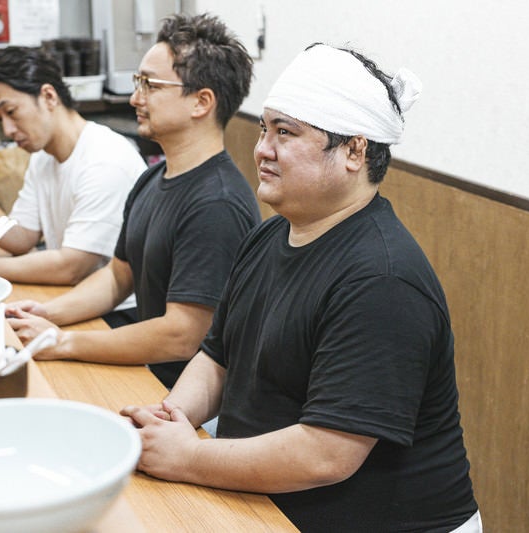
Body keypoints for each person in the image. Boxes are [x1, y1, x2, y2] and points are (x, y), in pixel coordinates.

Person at [120, 43, 482, 532]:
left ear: (355, 151)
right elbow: (216, 358)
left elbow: (325, 455)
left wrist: (187, 458)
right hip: (269, 505)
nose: (263, 148)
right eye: (265, 128)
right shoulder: (270, 234)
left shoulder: (382, 279)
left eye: (286, 133)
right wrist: (171, 418)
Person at [6, 13, 261, 389]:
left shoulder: (216, 204)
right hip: (144, 370)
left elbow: (182, 335)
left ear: (201, 102)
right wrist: (47, 313)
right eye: (137, 82)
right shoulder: (153, 178)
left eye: (150, 85)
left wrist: (64, 341)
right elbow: (117, 277)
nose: (134, 98)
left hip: (185, 399)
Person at [0, 46, 147, 288]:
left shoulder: (105, 161)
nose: (7, 130)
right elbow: (23, 238)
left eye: (11, 112)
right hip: (70, 292)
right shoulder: (43, 156)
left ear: (49, 96)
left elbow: (71, 267)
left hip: (115, 312)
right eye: (0, 119)